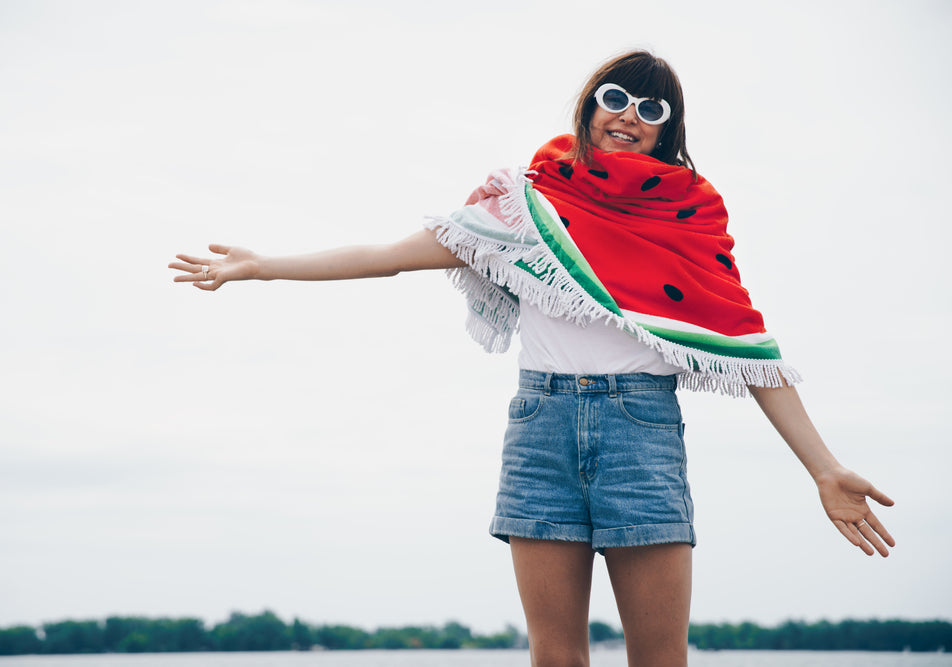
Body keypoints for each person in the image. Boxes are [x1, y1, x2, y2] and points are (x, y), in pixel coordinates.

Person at [169, 51, 894, 667]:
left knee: (659, 657)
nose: (629, 114)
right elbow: (389, 257)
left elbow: (749, 347)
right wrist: (264, 266)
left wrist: (825, 469)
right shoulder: (523, 208)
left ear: (669, 131)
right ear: (588, 106)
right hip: (541, 426)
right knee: (553, 657)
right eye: (616, 97)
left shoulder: (690, 218)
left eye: (652, 107)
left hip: (641, 432)